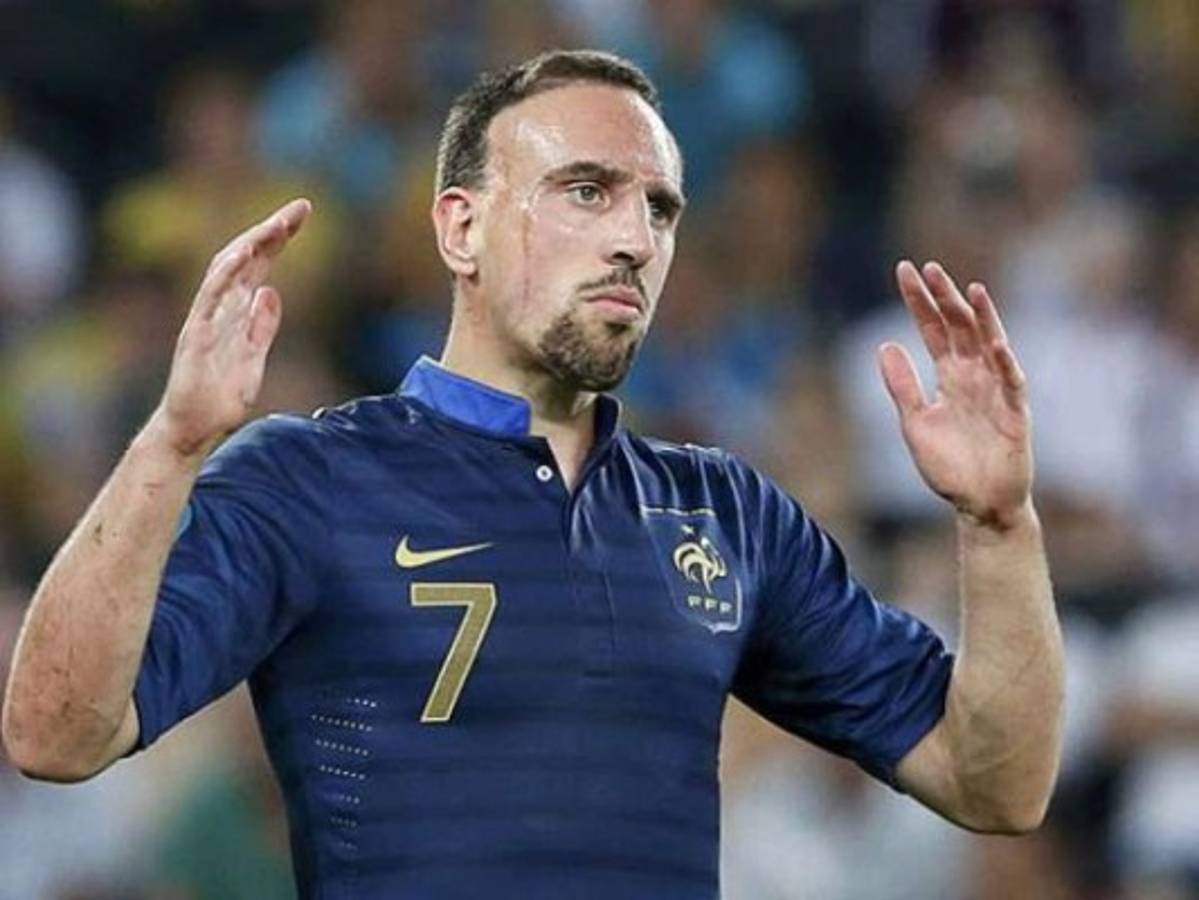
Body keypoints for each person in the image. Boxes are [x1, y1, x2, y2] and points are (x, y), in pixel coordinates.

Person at [2, 50, 1063, 898]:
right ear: (460, 227)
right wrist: (172, 444)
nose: (634, 239)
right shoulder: (311, 481)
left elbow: (994, 786)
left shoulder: (726, 515)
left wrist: (999, 523)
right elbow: (53, 733)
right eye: (586, 191)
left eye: (659, 209)